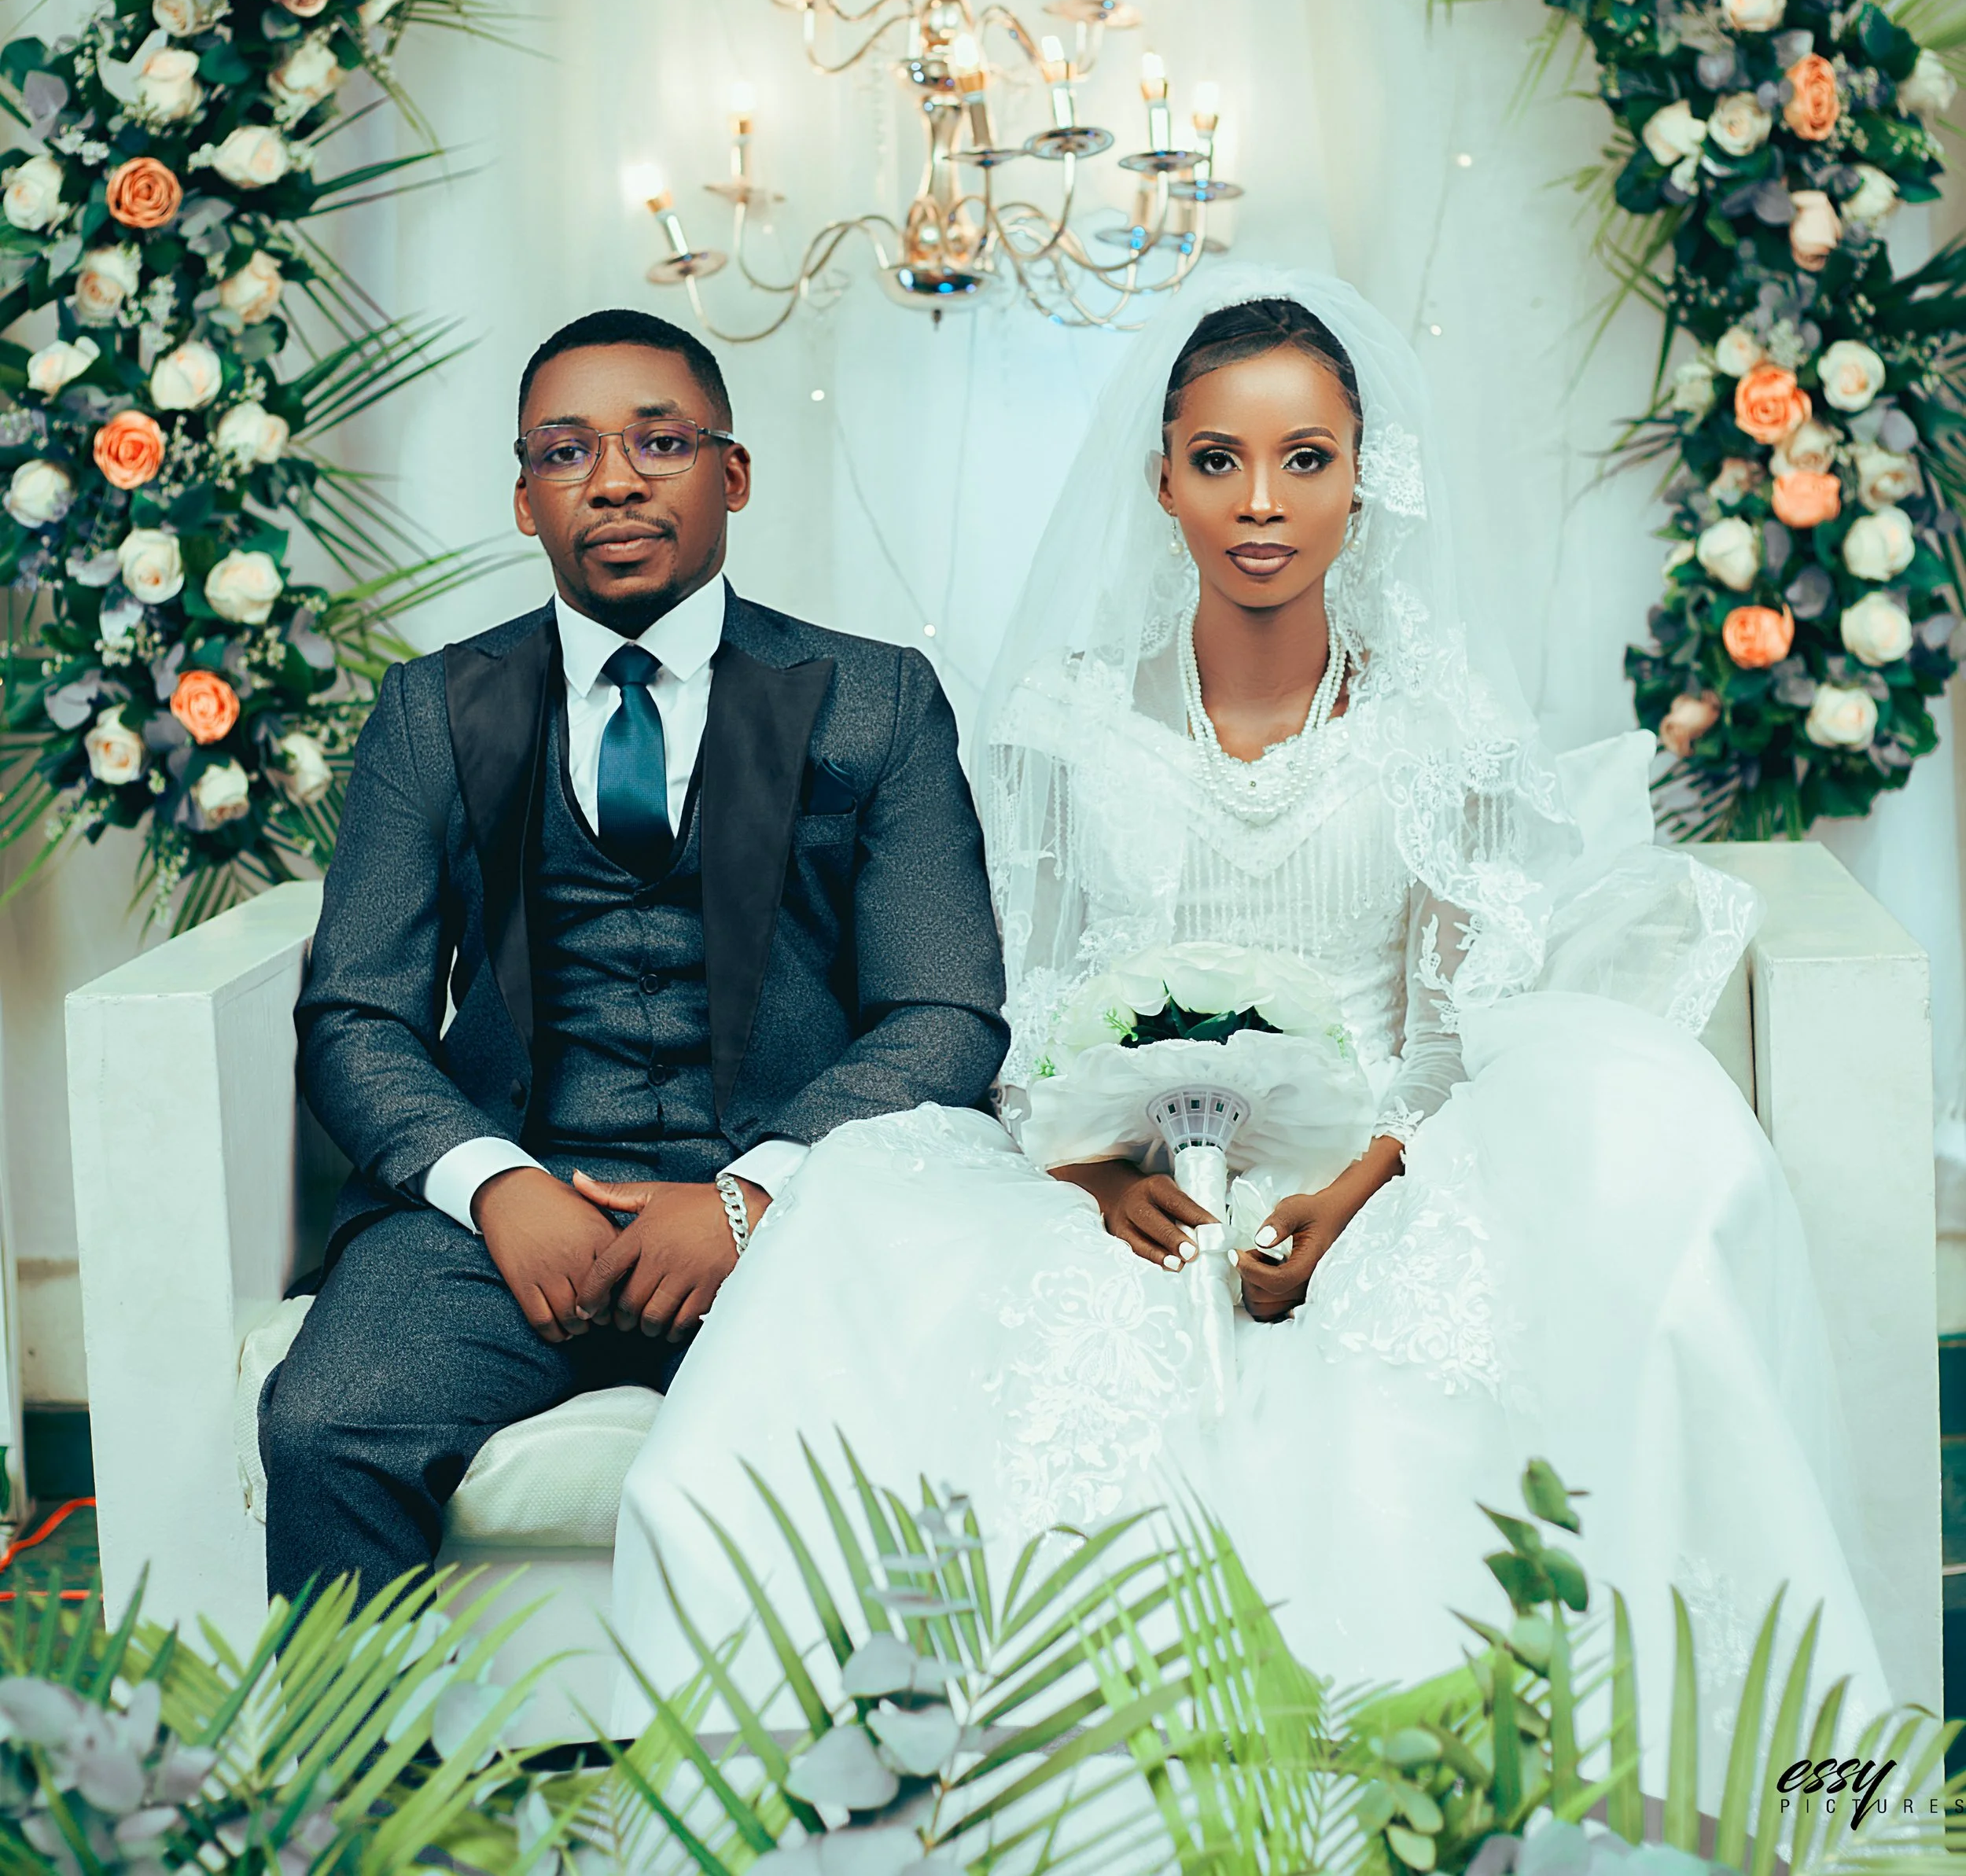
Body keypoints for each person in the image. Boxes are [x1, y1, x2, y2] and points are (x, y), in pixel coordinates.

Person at [608, 267, 1888, 1753]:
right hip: (1127, 1180)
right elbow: (1019, 1011)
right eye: (1219, 461)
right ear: (1162, 481)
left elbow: (1450, 1031)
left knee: (1608, 1200)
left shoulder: (1436, 726)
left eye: (1306, 461)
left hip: (1375, 1171)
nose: (1262, 503)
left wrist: (1351, 1195)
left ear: (1365, 478)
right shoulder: (1068, 720)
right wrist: (1100, 1173)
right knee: (879, 1234)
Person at [260, 307, 1007, 1602]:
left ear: (735, 473)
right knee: (327, 1424)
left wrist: (755, 1194)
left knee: (912, 1433)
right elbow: (354, 1017)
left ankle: (842, 1796)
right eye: (565, 451)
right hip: (506, 1210)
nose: (611, 479)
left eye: (659, 441)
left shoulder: (876, 699)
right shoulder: (429, 709)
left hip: (789, 1206)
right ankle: (359, 1807)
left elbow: (944, 1007)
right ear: (523, 496)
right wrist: (494, 1184)